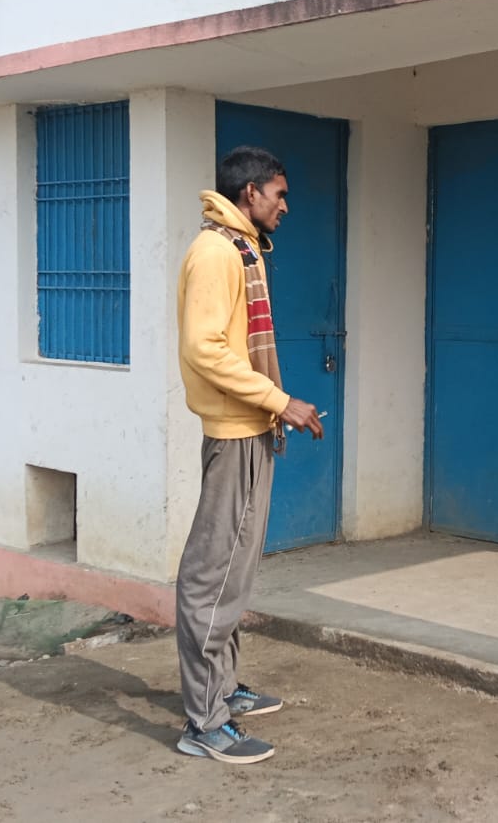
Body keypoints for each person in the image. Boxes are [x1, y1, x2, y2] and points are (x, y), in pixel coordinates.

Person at [174, 146, 324, 763]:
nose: (285, 206)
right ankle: (203, 722)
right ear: (250, 193)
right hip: (235, 430)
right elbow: (204, 348)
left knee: (235, 569)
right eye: (279, 195)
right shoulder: (216, 252)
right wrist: (279, 401)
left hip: (248, 428)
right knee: (213, 573)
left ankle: (224, 688)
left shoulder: (243, 248)